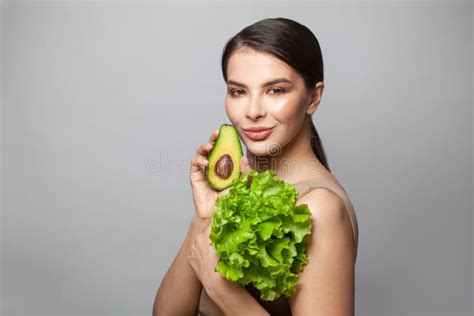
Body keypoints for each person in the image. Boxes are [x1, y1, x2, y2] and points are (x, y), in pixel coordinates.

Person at [153, 17, 359, 316]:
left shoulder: (319, 208)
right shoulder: (243, 185)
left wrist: (222, 289)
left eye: (275, 90)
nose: (252, 111)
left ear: (313, 97)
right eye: (238, 91)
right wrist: (203, 220)